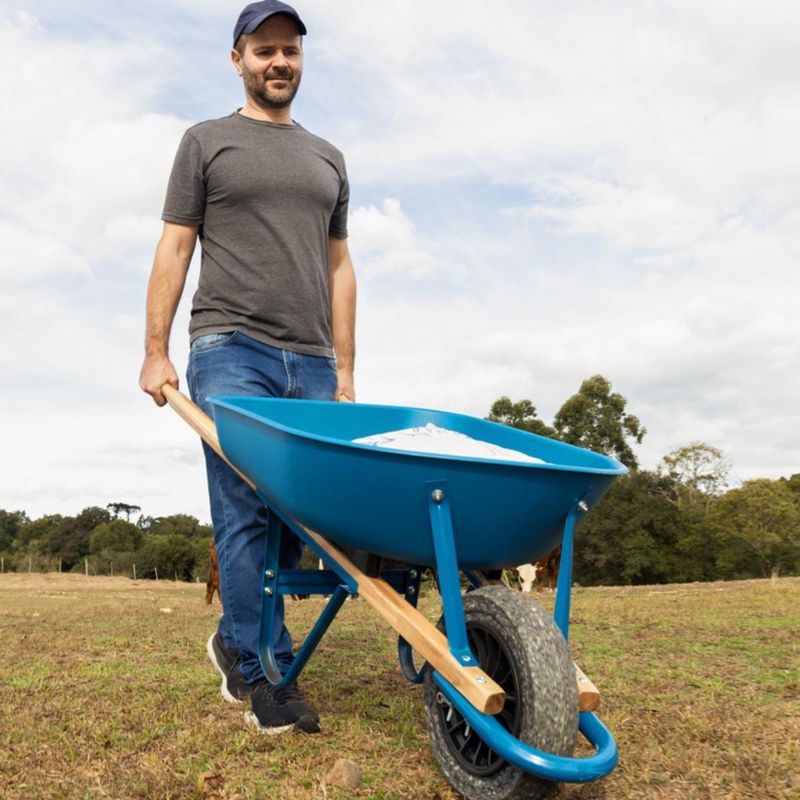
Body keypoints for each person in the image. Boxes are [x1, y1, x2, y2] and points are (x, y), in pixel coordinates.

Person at [138, 0, 356, 735]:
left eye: (289, 50)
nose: (278, 62)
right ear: (238, 59)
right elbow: (175, 247)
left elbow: (340, 266)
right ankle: (267, 672)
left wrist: (346, 370)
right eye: (263, 50)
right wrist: (155, 349)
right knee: (243, 506)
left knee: (301, 519)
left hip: (314, 362)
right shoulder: (206, 142)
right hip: (229, 346)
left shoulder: (329, 157)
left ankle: (236, 639)